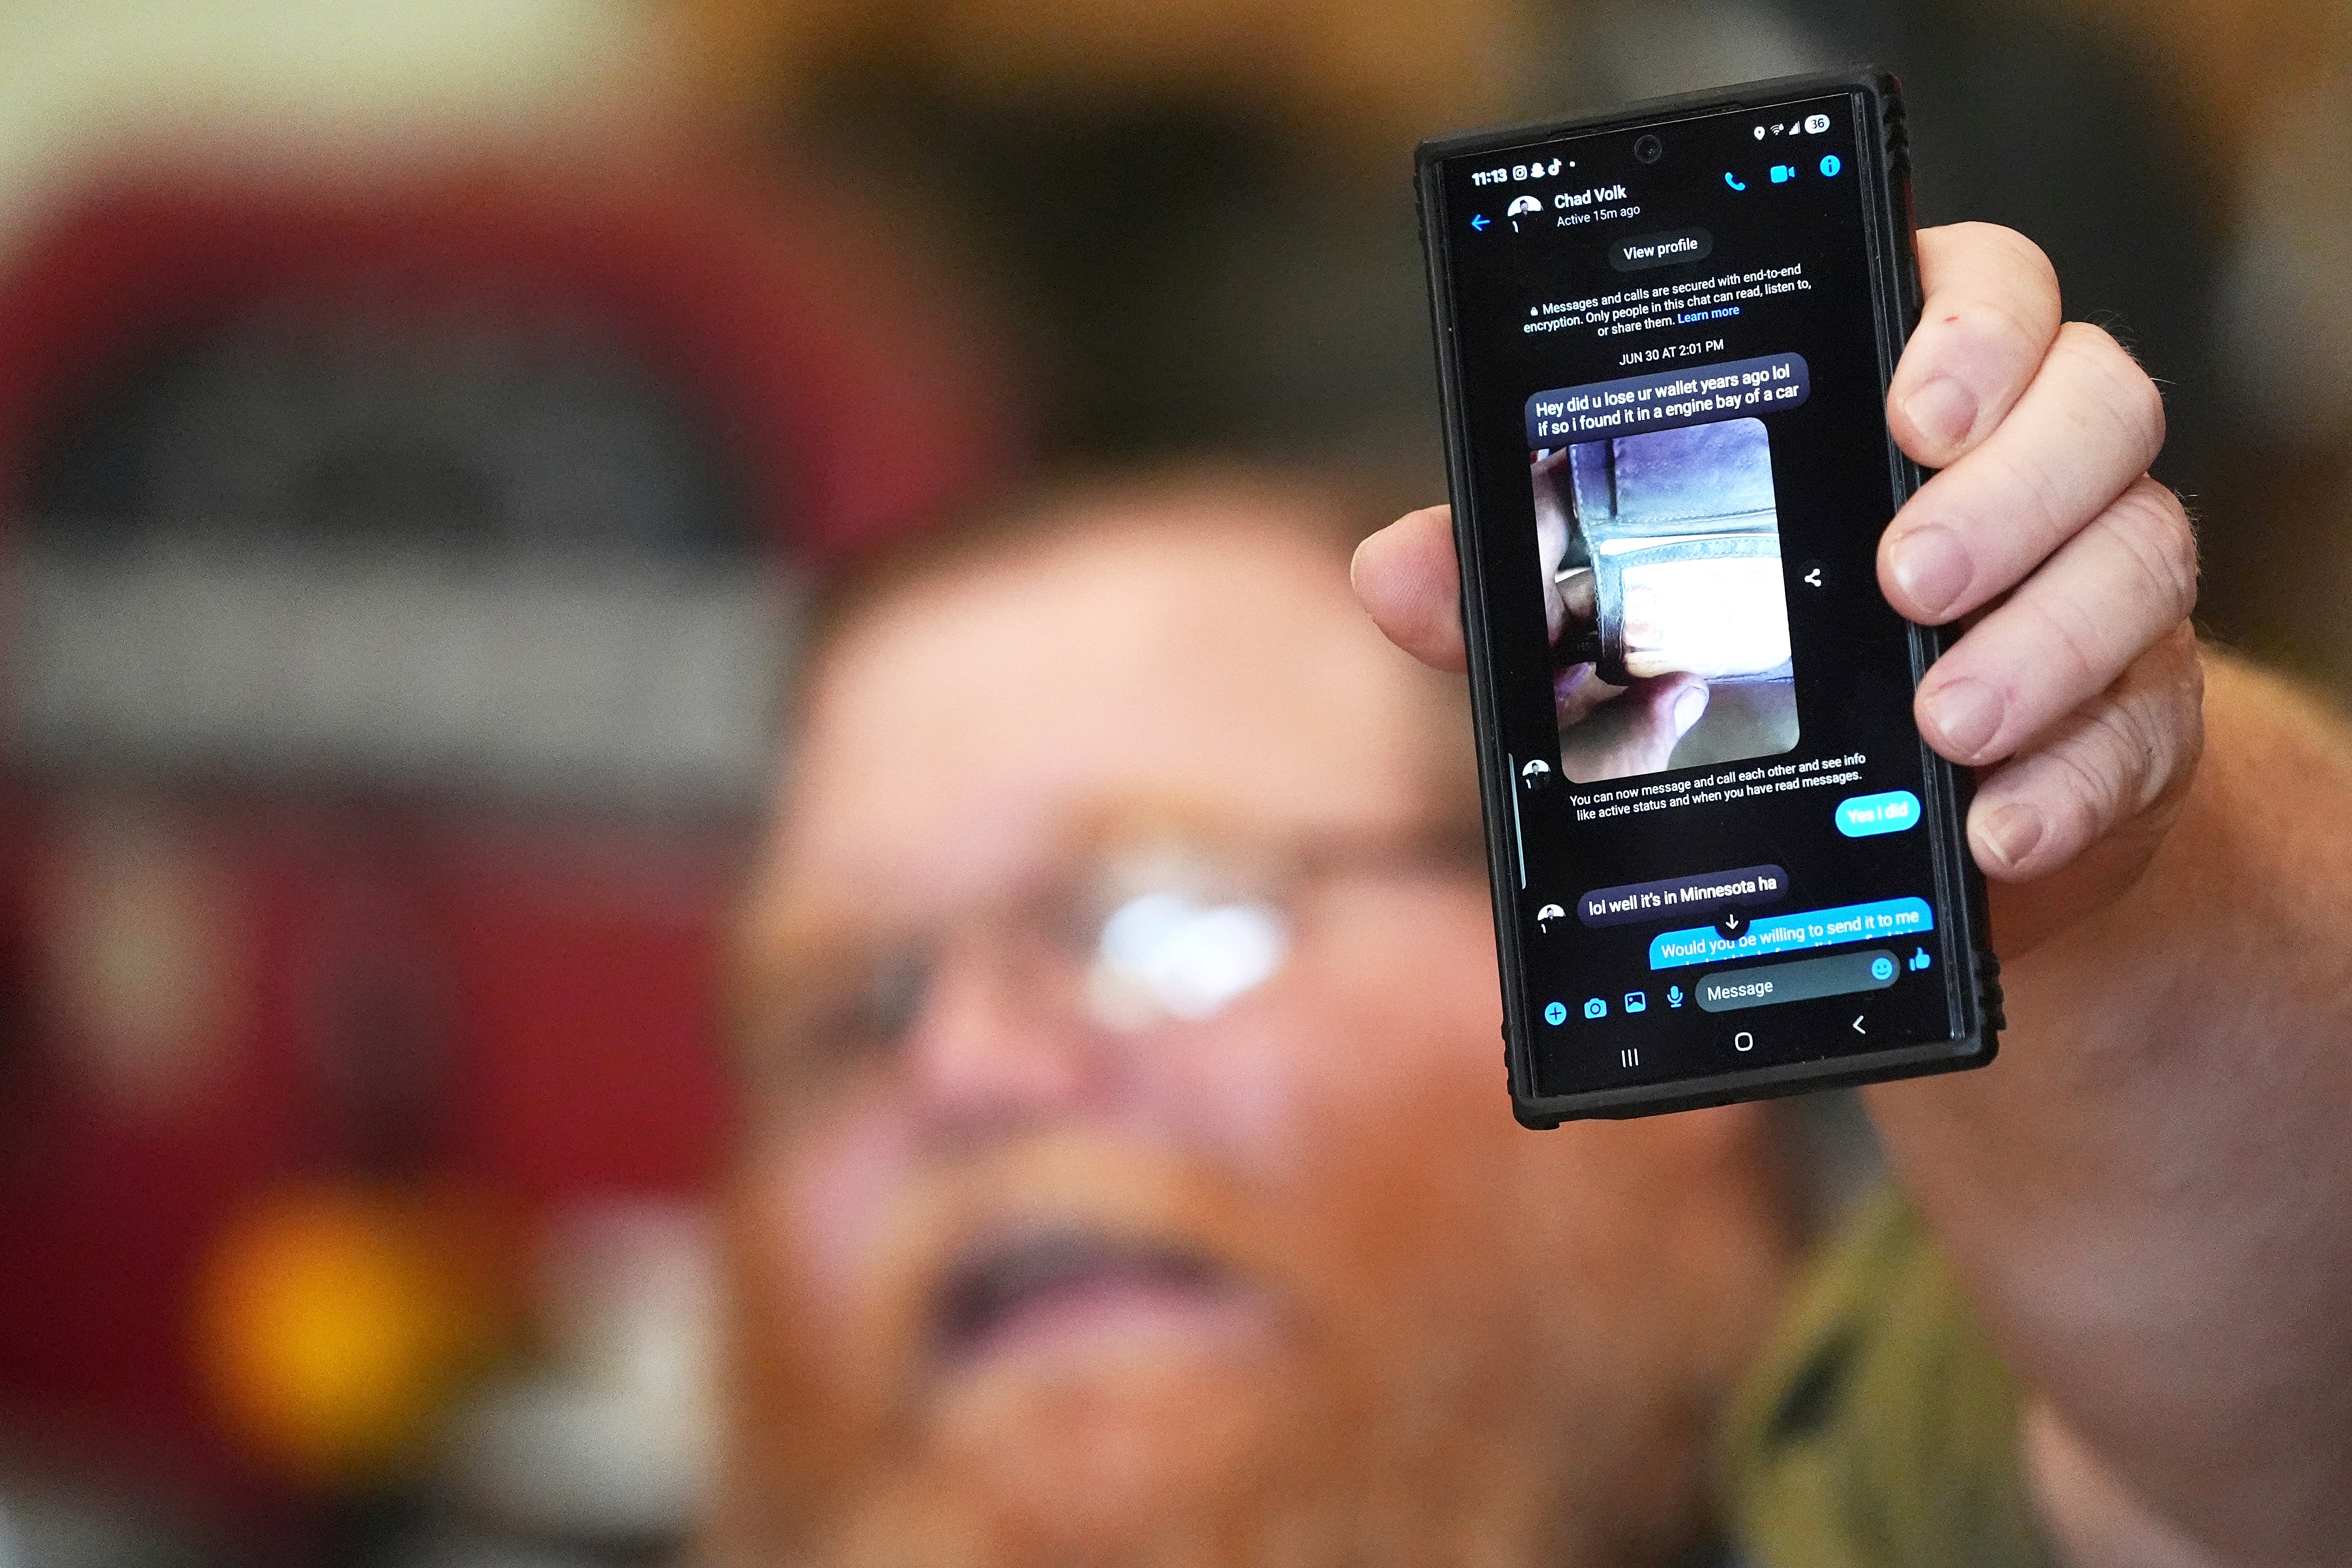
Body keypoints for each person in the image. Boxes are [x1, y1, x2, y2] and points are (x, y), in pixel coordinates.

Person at [703, 224, 2352, 1567]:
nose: (970, 1074)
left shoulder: (1890, 1475)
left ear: (1611, 910)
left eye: (1153, 919)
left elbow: (2275, 1424)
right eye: (860, 1005)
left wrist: (2100, 869)